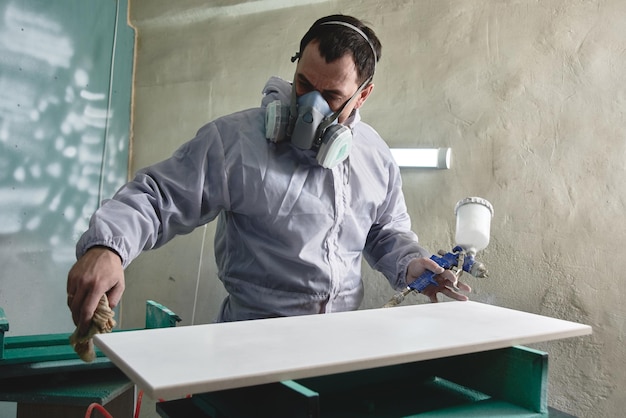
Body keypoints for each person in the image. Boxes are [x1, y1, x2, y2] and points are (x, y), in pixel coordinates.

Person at [67, 14, 471, 336]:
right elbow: (158, 199)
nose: (311, 106)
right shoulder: (235, 143)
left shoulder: (374, 156)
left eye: (330, 96)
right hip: (249, 345)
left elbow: (384, 232)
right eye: (303, 85)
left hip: (342, 344)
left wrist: (411, 265)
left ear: (362, 95)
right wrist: (108, 247)